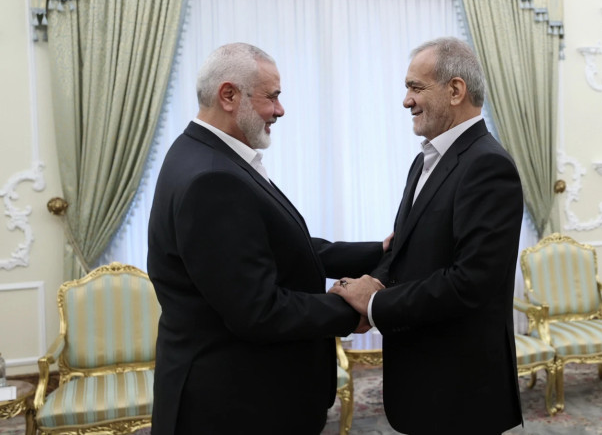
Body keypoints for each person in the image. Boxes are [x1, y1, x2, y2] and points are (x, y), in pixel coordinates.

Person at [147, 43, 387, 435]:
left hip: (240, 391)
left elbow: (282, 249)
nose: (280, 109)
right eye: (272, 96)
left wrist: (377, 251)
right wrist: (357, 307)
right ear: (229, 95)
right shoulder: (213, 178)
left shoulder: (200, 152)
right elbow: (258, 310)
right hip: (237, 404)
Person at [330, 37, 524, 434]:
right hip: (421, 374)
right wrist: (375, 282)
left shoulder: (489, 165)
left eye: (416, 88)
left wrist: (377, 304)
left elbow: (472, 282)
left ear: (455, 90)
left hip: (460, 387)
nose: (406, 101)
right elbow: (402, 246)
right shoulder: (424, 161)